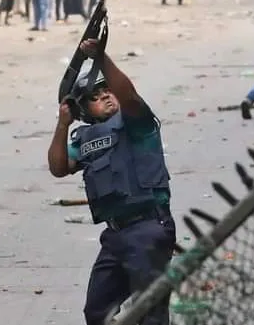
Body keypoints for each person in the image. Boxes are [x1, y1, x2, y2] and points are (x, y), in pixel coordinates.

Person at [46, 38, 175, 325]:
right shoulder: (85, 138)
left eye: (107, 90)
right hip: (115, 235)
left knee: (150, 313)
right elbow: (58, 167)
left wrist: (101, 57)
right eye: (95, 95)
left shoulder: (136, 122)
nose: (106, 96)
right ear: (83, 109)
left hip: (148, 229)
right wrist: (63, 124)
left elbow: (128, 96)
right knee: (96, 312)